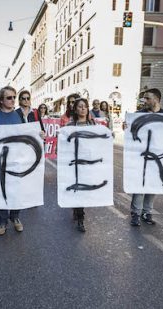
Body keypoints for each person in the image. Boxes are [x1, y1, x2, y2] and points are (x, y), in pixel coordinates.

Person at [0, 86, 45, 235]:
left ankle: (15, 217)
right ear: (1, 100)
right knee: (1, 188)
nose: (13, 100)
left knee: (17, 188)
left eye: (14, 97)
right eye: (9, 97)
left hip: (17, 159)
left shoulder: (18, 115)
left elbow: (28, 132)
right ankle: (2, 220)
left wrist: (39, 134)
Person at [123, 88, 163, 227]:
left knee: (153, 185)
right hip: (141, 156)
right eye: (144, 98)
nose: (145, 101)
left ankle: (147, 212)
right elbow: (131, 132)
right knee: (140, 185)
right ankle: (136, 213)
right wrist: (126, 126)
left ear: (157, 99)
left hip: (159, 156)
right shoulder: (138, 115)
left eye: (148, 98)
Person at [65, 98, 95, 232]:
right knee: (77, 188)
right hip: (74, 161)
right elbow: (64, 143)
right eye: (80, 106)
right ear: (75, 109)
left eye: (85, 107)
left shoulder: (93, 125)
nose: (83, 109)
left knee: (83, 189)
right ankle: (80, 217)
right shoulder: (70, 125)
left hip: (88, 162)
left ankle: (78, 211)